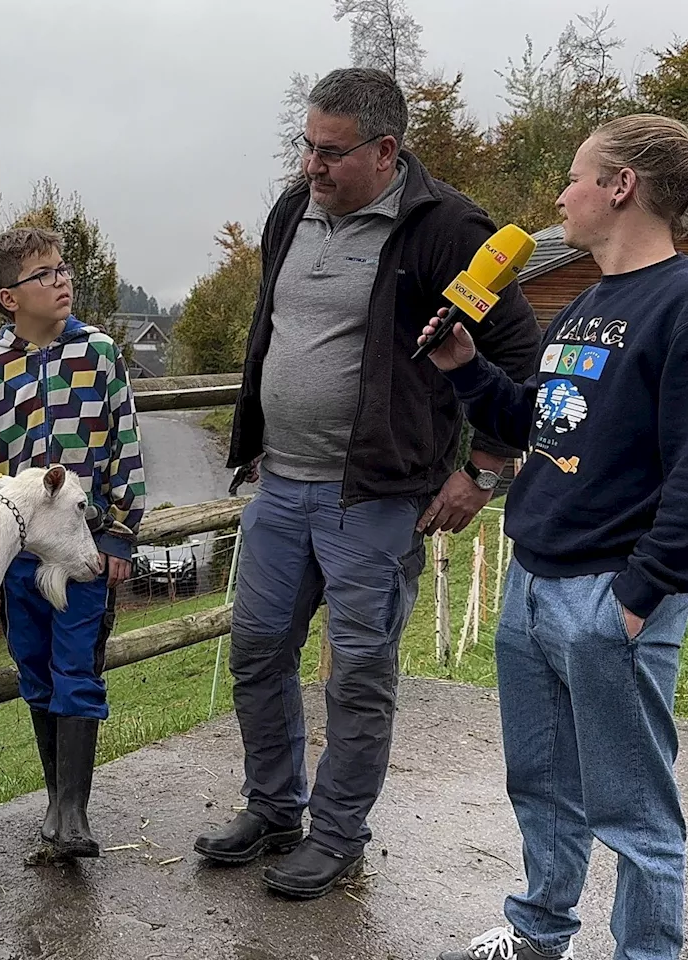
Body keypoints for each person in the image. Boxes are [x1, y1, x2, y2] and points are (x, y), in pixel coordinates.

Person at [192, 67, 542, 898]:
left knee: (358, 673)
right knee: (256, 652)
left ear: (387, 151)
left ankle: (339, 836)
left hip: (378, 498)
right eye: (306, 146)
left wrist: (482, 472)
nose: (313, 166)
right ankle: (275, 809)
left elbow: (521, 353)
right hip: (281, 485)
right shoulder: (291, 211)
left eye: (333, 153)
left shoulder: (447, 228)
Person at [422, 116, 688, 960]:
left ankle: (647, 952)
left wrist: (642, 599)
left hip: (610, 594)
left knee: (634, 809)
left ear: (621, 187)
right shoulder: (584, 305)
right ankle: (540, 932)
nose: (561, 196)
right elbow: (544, 423)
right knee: (540, 785)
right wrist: (466, 367)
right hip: (532, 580)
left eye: (576, 178)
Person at [0, 226, 145, 859]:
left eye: (64, 269)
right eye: (46, 274)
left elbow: (125, 449)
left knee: (78, 670)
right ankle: (52, 800)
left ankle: (75, 813)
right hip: (16, 559)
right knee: (34, 670)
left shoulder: (100, 354)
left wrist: (119, 536)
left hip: (83, 552)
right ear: (10, 298)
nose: (63, 280)